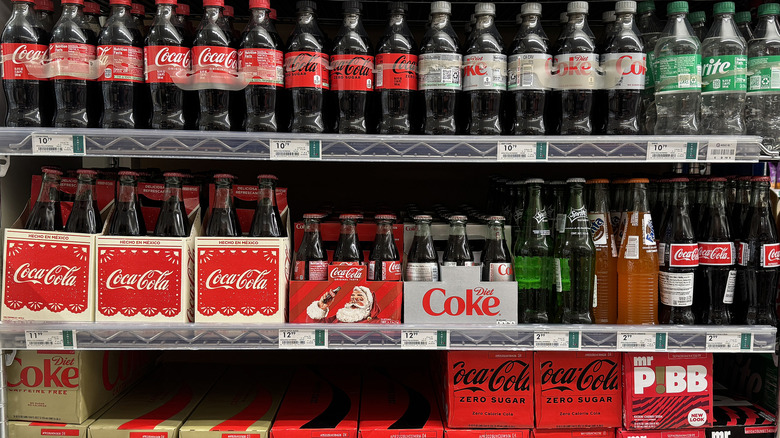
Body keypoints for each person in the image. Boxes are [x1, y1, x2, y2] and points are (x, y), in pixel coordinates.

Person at [306, 285, 381, 323]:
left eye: (360, 297)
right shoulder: (340, 317)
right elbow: (313, 326)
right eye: (352, 297)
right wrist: (321, 307)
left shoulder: (376, 323)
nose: (354, 300)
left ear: (369, 304)